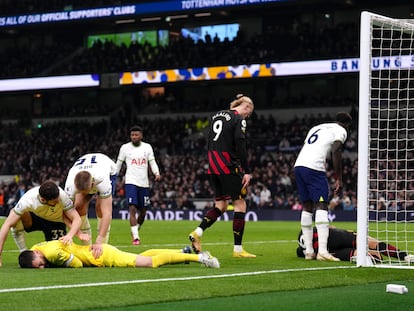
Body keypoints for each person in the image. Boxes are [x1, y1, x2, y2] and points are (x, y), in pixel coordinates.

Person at [188, 94, 256, 258]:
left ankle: (197, 233)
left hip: (213, 165)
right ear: (246, 107)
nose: (247, 117)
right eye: (249, 114)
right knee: (240, 206)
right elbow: (240, 143)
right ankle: (238, 250)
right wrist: (246, 170)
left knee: (221, 206)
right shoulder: (239, 118)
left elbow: (211, 140)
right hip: (228, 166)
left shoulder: (217, 115)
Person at [294, 112, 352, 261]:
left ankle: (309, 251)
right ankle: (323, 251)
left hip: (299, 165)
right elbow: (335, 150)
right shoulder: (341, 130)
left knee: (307, 206)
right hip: (314, 168)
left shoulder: (316, 127)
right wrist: (338, 177)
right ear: (347, 124)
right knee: (321, 205)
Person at [0, 181, 82, 267]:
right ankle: (23, 251)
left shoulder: (61, 195)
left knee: (55, 255)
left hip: (56, 220)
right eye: (55, 201)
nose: (58, 202)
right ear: (43, 199)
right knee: (15, 215)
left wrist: (70, 235)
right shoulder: (27, 200)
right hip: (36, 218)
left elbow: (76, 218)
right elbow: (7, 224)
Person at [18, 240, 220, 269]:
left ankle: (201, 258)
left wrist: (55, 263)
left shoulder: (51, 253)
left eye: (40, 263)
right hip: (101, 250)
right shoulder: (39, 246)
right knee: (141, 255)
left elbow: (77, 265)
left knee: (151, 263)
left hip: (103, 257)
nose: (44, 266)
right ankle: (181, 252)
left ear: (35, 253)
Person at [64, 153, 117, 259]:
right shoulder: (70, 184)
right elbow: (65, 213)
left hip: (108, 169)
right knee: (78, 207)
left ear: (92, 185)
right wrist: (77, 233)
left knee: (100, 208)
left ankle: (102, 247)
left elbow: (108, 214)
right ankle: (86, 247)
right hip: (85, 165)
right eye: (80, 191)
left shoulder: (102, 180)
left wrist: (99, 241)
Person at [115, 125, 161, 245]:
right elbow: (118, 164)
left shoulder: (147, 147)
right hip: (130, 182)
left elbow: (152, 162)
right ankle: (136, 237)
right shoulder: (125, 148)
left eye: (136, 135)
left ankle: (135, 229)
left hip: (144, 183)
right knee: (132, 208)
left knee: (144, 211)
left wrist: (156, 173)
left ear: (141, 136)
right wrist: (113, 176)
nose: (134, 137)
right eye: (132, 135)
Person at [296, 227, 414, 263]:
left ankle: (402, 256)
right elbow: (328, 227)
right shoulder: (316, 230)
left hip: (328, 250)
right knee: (371, 244)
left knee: (372, 254)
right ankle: (404, 256)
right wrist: (348, 232)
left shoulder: (302, 247)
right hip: (335, 238)